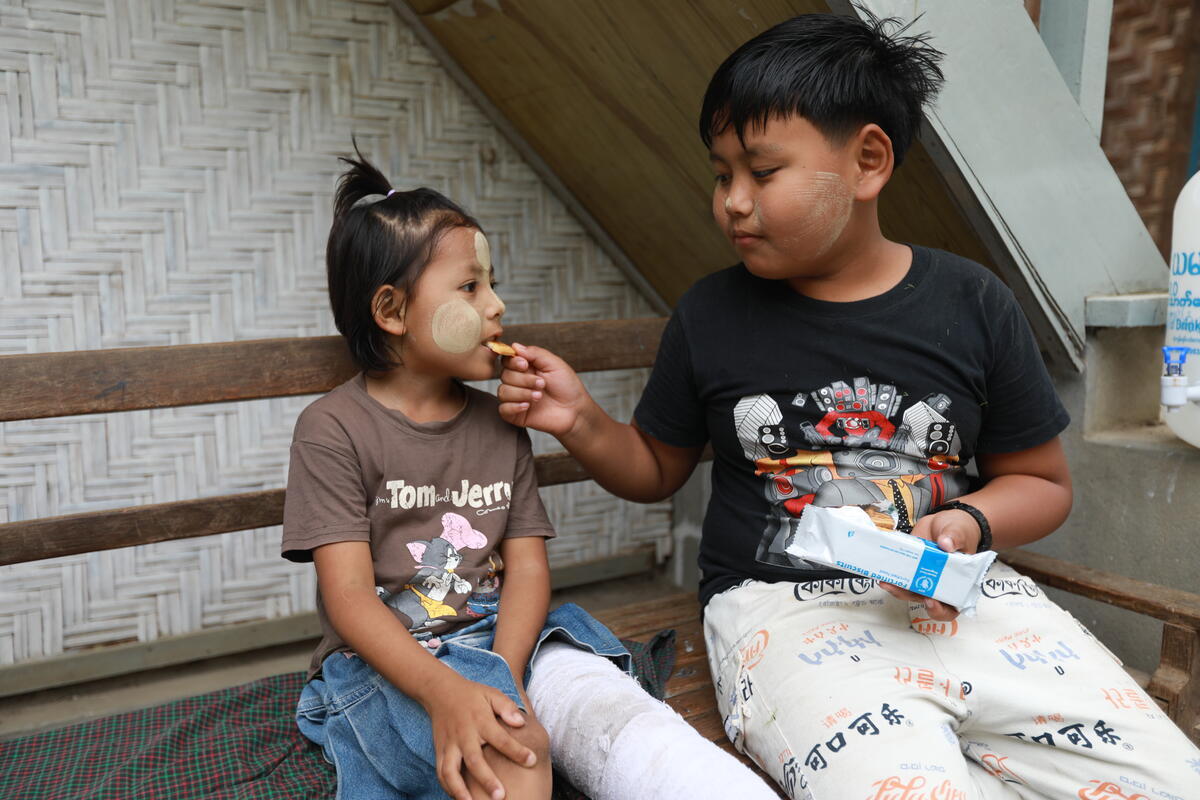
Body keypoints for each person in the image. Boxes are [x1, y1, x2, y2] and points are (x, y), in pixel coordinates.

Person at [498, 11, 1200, 799]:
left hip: (967, 598)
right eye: (721, 173)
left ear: (868, 161)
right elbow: (657, 466)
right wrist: (582, 421)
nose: (731, 200)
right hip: (781, 612)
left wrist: (968, 524)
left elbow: (1042, 483)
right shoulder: (710, 315)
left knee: (1165, 778)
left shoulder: (973, 302)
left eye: (761, 172)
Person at [281, 150, 779, 800]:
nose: (497, 305)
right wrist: (446, 691)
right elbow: (348, 601)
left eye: (491, 283)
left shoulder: (501, 422)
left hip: (507, 639)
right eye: (470, 288)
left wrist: (502, 678)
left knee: (544, 726)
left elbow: (528, 569)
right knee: (509, 755)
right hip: (392, 659)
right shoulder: (332, 430)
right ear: (392, 310)